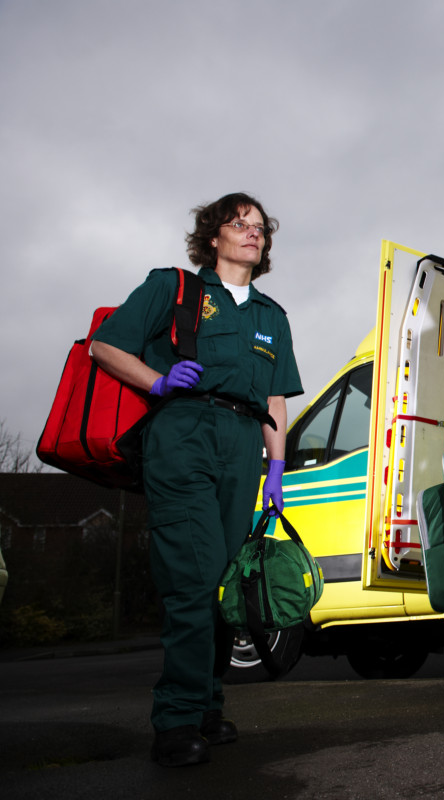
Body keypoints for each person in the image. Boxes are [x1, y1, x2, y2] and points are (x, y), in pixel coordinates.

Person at [91, 193, 303, 766]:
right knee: (191, 576)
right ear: (213, 237)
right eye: (239, 224)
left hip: (242, 445)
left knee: (223, 584)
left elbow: (275, 399)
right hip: (183, 433)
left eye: (260, 227)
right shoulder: (174, 289)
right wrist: (158, 382)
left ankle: (209, 705)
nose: (252, 233)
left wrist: (275, 467)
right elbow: (104, 347)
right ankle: (177, 719)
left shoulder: (271, 316)